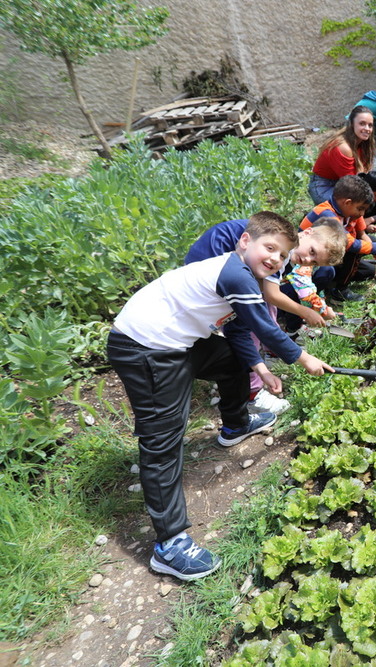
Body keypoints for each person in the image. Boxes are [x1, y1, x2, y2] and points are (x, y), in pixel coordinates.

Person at [107, 212, 337, 581]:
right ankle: (170, 544)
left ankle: (235, 424)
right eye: (269, 248)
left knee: (232, 361)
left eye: (282, 255)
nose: (275, 259)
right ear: (245, 242)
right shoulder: (235, 274)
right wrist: (303, 357)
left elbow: (241, 330)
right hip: (143, 346)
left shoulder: (243, 274)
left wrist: (260, 368)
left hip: (176, 341)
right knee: (162, 438)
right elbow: (264, 325)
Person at [185, 218, 346, 415]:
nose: (308, 261)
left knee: (261, 312)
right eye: (312, 252)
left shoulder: (282, 250)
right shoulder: (279, 250)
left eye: (314, 262)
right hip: (212, 256)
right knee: (245, 321)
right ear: (307, 233)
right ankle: (253, 392)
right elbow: (271, 295)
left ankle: (270, 349)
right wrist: (304, 314)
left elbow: (273, 293)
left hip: (231, 261)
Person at [301, 175, 376, 303]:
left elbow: (362, 234)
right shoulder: (327, 214)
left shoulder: (350, 211)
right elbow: (349, 243)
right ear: (348, 202)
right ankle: (337, 291)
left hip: (327, 252)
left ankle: (333, 280)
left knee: (368, 270)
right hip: (306, 259)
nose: (362, 214)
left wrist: (375, 251)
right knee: (352, 252)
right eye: (360, 209)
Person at [308, 106, 376, 206]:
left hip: (341, 183)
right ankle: (316, 217)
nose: (367, 129)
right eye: (362, 124)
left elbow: (364, 174)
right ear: (352, 124)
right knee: (353, 204)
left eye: (370, 125)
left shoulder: (364, 144)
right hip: (323, 186)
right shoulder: (343, 147)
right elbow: (351, 185)